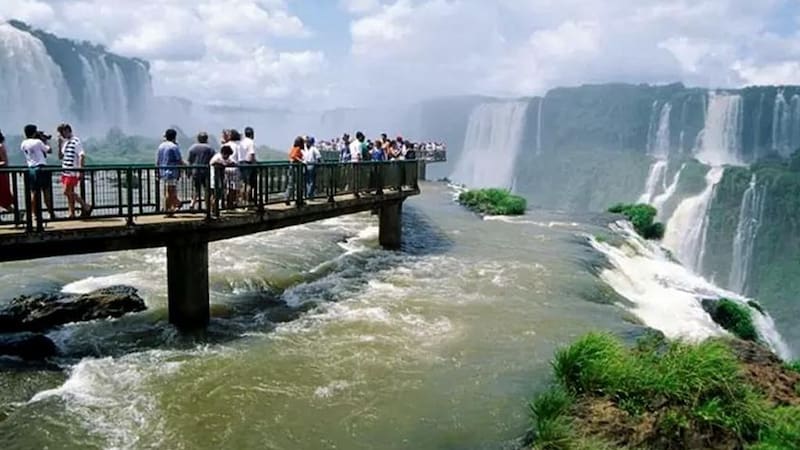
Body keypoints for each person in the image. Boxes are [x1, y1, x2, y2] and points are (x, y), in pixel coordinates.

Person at [20, 124, 56, 221]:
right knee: (46, 192)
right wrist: (46, 141)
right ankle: (51, 213)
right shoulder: (38, 142)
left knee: (34, 193)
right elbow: (49, 150)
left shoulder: (23, 143)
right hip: (42, 168)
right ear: (34, 132)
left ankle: (34, 215)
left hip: (31, 169)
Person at [57, 124, 92, 219]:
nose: (61, 134)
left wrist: (80, 170)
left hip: (72, 172)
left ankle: (85, 205)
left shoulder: (76, 141)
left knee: (66, 192)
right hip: (65, 171)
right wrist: (59, 144)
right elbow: (60, 157)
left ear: (67, 130)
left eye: (62, 132)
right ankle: (71, 213)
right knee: (69, 193)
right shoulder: (65, 143)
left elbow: (82, 155)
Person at [156, 128, 184, 217]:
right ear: (174, 137)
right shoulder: (174, 147)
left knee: (168, 191)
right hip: (172, 172)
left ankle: (171, 207)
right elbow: (179, 160)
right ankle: (169, 210)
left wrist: (157, 171)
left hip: (163, 172)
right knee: (171, 192)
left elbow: (158, 160)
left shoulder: (161, 146)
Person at [187, 131, 216, 210]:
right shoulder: (210, 148)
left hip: (195, 171)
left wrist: (189, 172)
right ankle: (208, 207)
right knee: (207, 190)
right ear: (206, 139)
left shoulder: (192, 148)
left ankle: (192, 204)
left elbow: (190, 161)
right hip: (206, 172)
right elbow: (214, 160)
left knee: (196, 189)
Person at [209, 144, 236, 215]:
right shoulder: (217, 157)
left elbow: (232, 162)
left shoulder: (226, 158)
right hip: (214, 179)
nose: (228, 157)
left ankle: (216, 209)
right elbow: (213, 163)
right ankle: (213, 210)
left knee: (219, 194)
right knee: (214, 194)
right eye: (227, 155)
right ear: (224, 153)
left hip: (221, 179)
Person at [284, 136, 304, 205]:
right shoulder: (297, 148)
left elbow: (291, 155)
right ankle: (293, 199)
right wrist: (301, 161)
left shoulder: (293, 148)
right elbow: (293, 156)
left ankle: (288, 198)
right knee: (294, 183)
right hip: (294, 168)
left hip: (291, 167)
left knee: (291, 184)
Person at [240, 127, 257, 202]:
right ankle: (248, 200)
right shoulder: (251, 142)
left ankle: (243, 200)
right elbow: (251, 154)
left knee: (243, 183)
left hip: (241, 163)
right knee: (249, 183)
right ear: (252, 134)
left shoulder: (242, 142)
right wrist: (254, 163)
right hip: (248, 164)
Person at [0, 130, 13, 212]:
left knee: (3, 197)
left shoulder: (0, 146)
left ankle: (17, 214)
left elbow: (5, 161)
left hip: (1, 175)